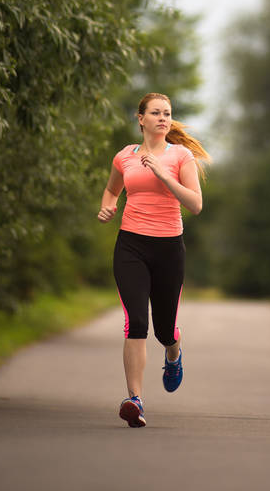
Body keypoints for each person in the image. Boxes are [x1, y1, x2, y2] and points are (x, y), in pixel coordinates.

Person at [97, 92, 210, 428]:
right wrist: (108, 206)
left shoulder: (181, 156)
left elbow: (195, 204)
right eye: (156, 113)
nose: (163, 118)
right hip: (131, 245)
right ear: (140, 118)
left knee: (163, 329)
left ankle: (173, 353)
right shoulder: (125, 157)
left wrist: (163, 175)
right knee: (136, 321)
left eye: (168, 113)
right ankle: (135, 399)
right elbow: (111, 190)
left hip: (168, 248)